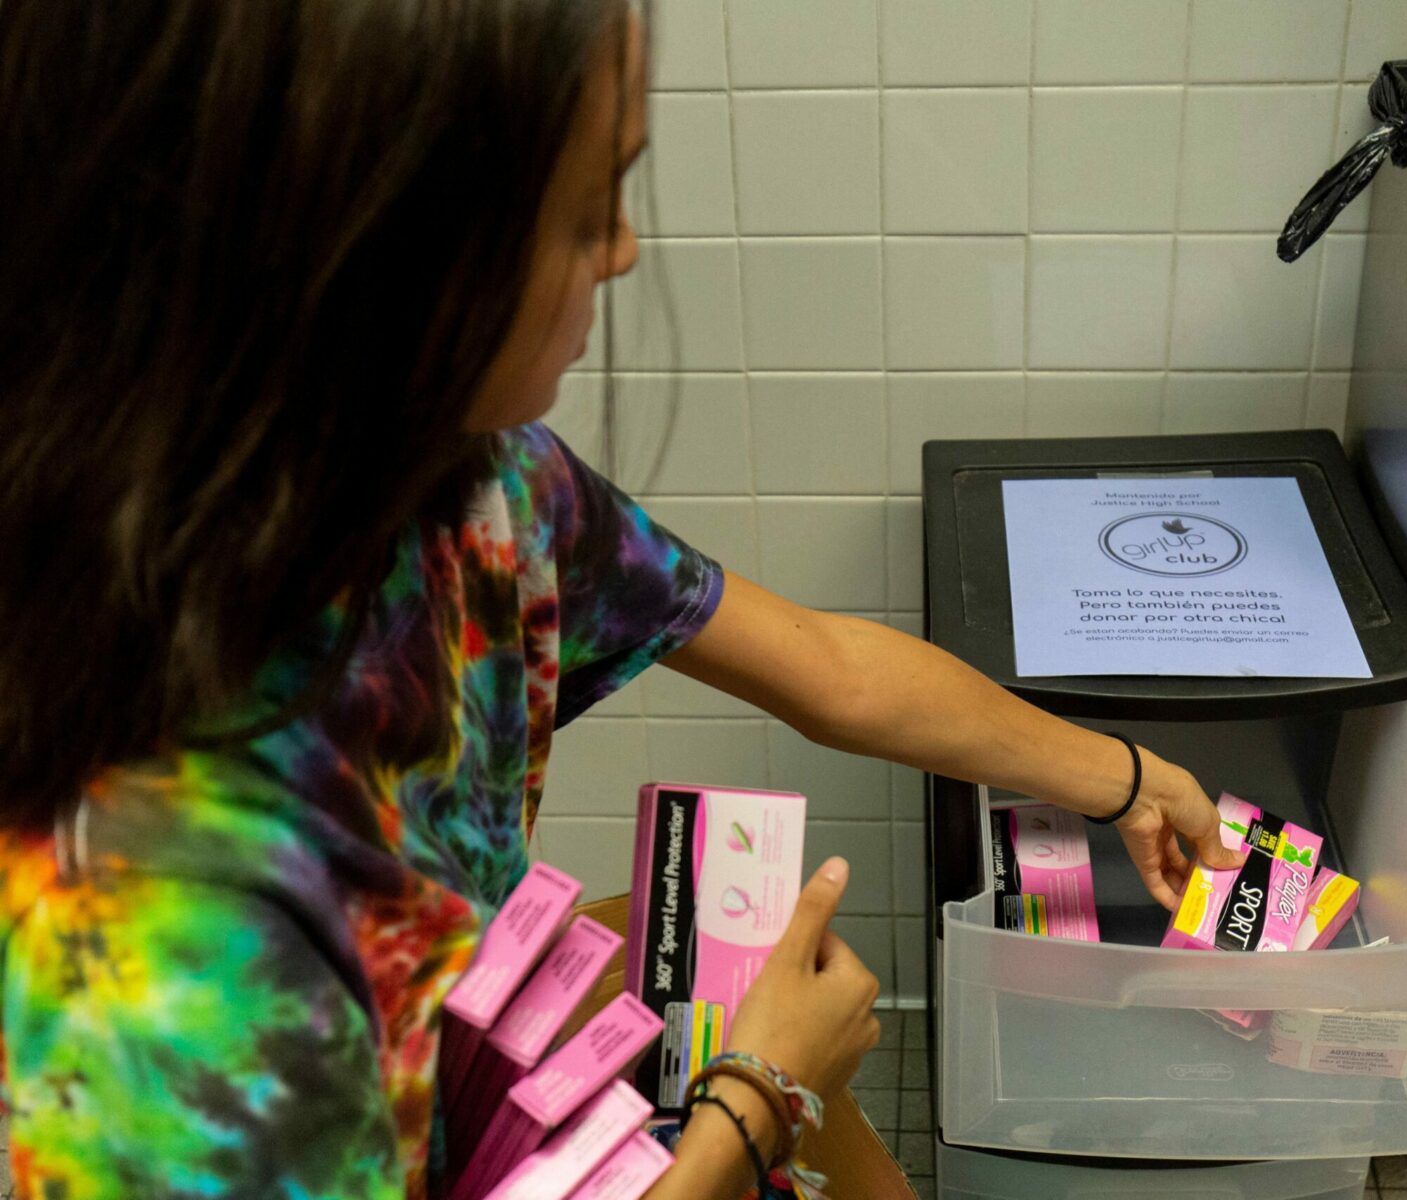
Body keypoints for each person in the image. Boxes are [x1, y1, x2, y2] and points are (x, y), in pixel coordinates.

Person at [0, 3, 1243, 1197]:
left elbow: (830, 669)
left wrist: (1135, 778)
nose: (626, 251)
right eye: (585, 209)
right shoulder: (157, 948)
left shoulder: (469, 489)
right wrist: (758, 1099)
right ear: (375, 251)